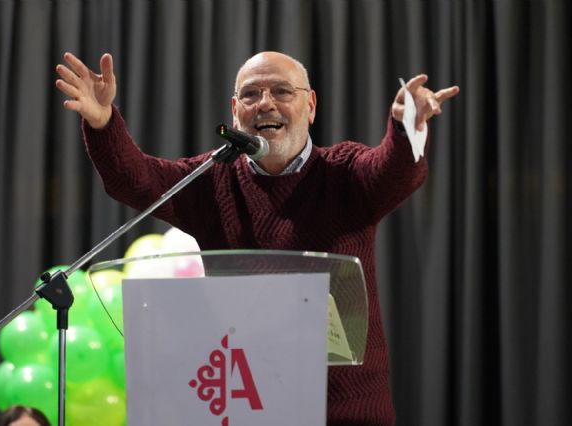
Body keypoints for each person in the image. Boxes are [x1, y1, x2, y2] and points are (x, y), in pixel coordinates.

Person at [55, 50, 459, 425]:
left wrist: (406, 127)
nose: (265, 103)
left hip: (346, 412)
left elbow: (394, 171)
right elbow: (138, 181)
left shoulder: (344, 173)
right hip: (248, 408)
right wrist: (103, 122)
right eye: (250, 94)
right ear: (235, 112)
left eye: (282, 91)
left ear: (311, 105)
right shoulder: (212, 180)